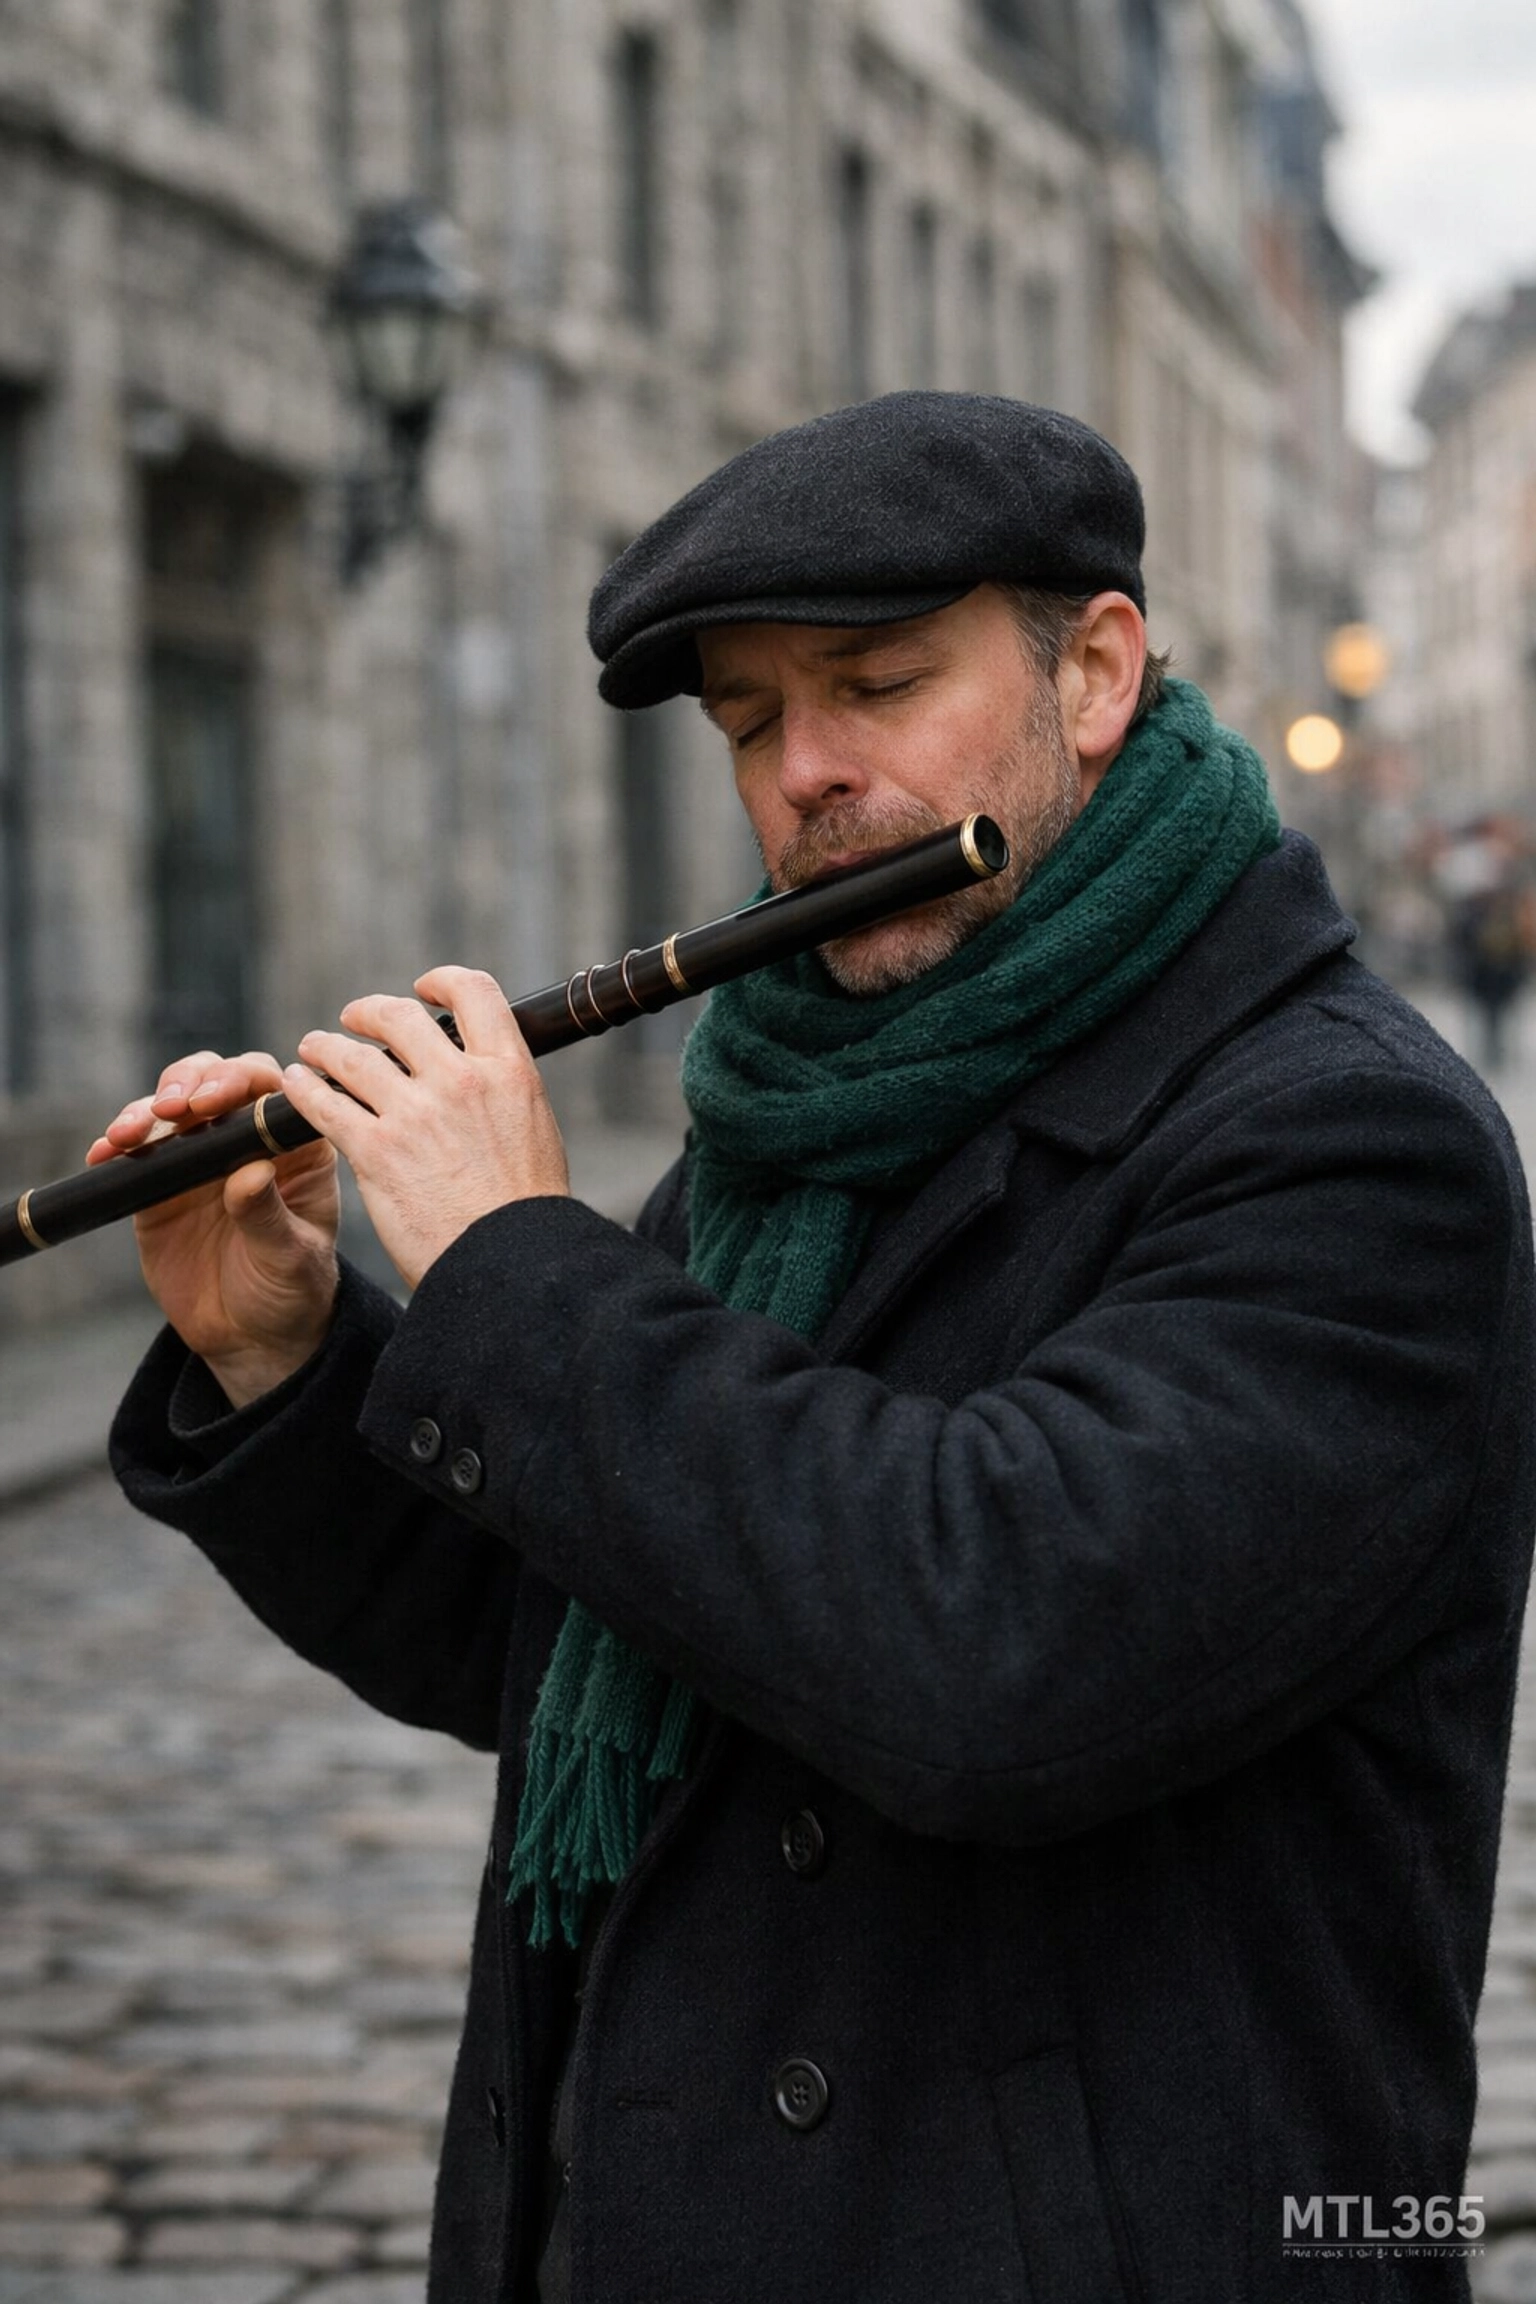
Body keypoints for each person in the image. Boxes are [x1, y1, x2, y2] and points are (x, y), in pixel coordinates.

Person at [103, 393, 1535, 2303]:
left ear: (1095, 671)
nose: (808, 777)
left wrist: (521, 1268)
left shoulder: (1353, 1143)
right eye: (756, 721)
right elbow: (579, 1625)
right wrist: (289, 1360)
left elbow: (995, 1643)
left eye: (877, 685)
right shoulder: (799, 1106)